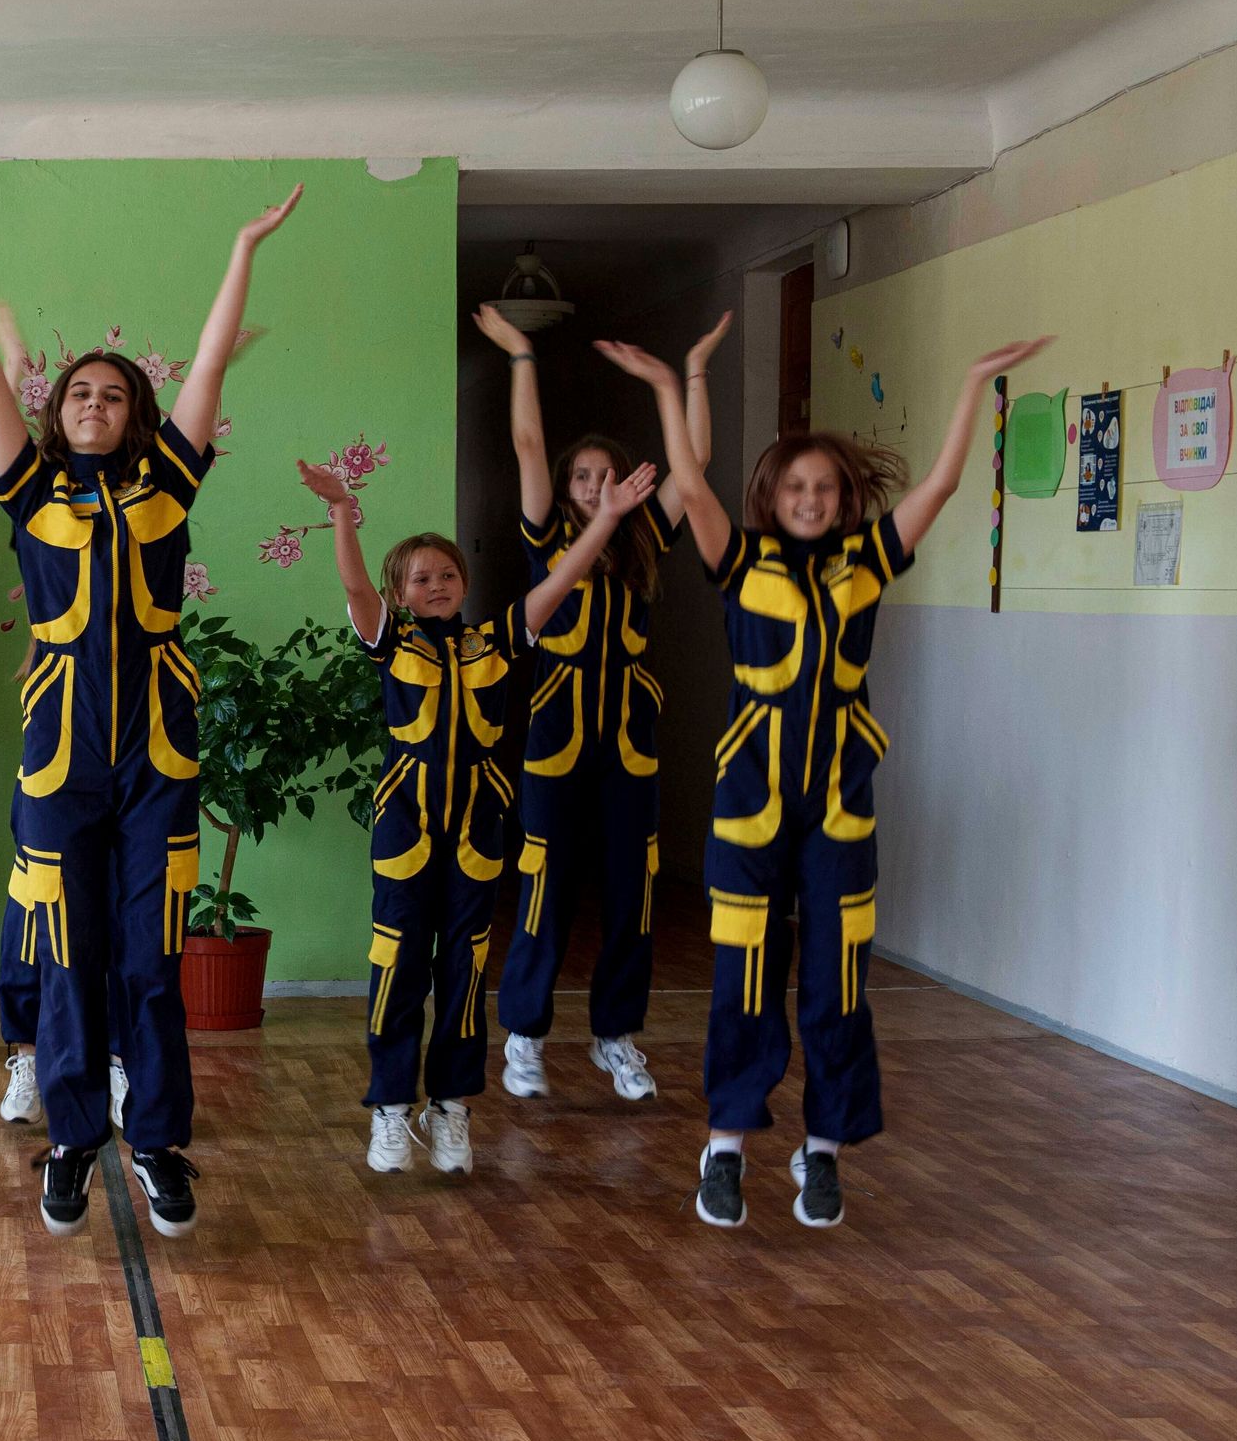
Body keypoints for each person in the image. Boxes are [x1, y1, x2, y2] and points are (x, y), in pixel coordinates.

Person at [0, 191, 297, 1239]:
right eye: (81, 394)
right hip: (61, 754)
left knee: (150, 961)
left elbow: (206, 366)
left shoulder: (168, 484)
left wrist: (240, 246)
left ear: (136, 413)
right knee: (67, 957)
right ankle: (71, 1138)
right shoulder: (32, 492)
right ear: (58, 413)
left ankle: (155, 1141)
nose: (95, 404)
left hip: (159, 752)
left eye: (113, 394)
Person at [655, 333, 1050, 1228]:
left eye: (824, 487)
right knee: (742, 979)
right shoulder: (739, 562)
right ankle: (724, 1150)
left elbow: (942, 486)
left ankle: (822, 1151)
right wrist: (678, 381)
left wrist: (976, 381)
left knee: (838, 980)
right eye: (794, 487)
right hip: (749, 802)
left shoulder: (868, 559)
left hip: (838, 802)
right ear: (771, 496)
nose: (809, 498)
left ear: (843, 498)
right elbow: (686, 484)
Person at [307, 458, 655, 1174]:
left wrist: (609, 519)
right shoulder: (390, 640)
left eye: (447, 575)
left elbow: (560, 582)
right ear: (399, 593)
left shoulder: (496, 638)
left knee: (463, 971)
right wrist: (342, 510)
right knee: (398, 965)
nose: (436, 586)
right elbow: (351, 583)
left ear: (464, 582)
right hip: (406, 829)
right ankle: (392, 1109)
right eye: (420, 578)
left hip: (478, 831)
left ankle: (454, 1107)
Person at [472, 308, 733, 1107]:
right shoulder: (548, 536)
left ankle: (615, 1035)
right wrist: (522, 355)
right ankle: (523, 1032)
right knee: (545, 885)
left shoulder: (648, 539)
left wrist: (689, 373)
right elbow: (525, 446)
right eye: (580, 477)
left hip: (630, 742)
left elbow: (697, 462)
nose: (591, 488)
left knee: (633, 890)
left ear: (625, 479)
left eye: (601, 476)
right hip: (555, 736)